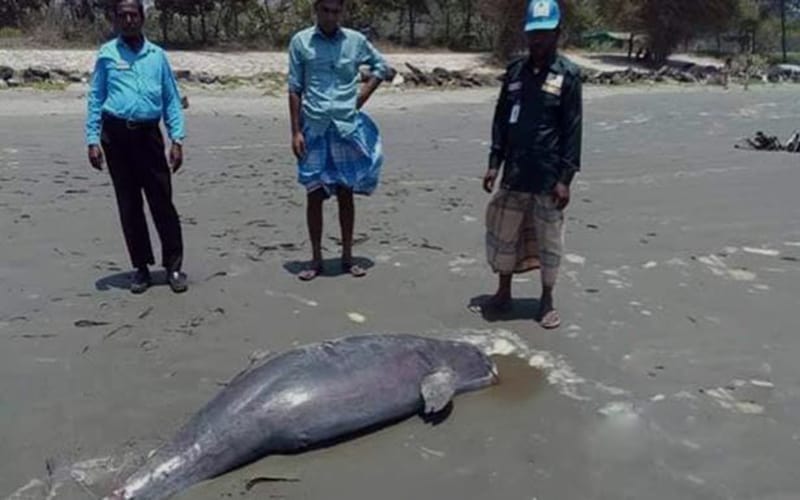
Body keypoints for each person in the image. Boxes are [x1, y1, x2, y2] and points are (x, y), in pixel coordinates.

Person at [481, 0, 582, 329]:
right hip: (515, 172)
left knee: (549, 241)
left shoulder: (568, 76)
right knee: (505, 235)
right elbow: (500, 121)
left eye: (544, 33)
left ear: (557, 33)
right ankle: (503, 292)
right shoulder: (514, 73)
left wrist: (566, 177)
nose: (537, 40)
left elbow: (573, 130)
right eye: (533, 33)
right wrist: (494, 163)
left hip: (548, 177)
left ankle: (547, 299)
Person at [85, 0, 188, 294]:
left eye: (133, 15)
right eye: (122, 15)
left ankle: (174, 265)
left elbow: (171, 99)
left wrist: (177, 139)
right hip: (116, 137)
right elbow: (95, 98)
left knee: (162, 203)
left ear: (143, 18)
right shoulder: (106, 55)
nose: (128, 20)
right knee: (129, 205)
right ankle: (141, 268)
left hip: (149, 137)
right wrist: (92, 140)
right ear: (115, 19)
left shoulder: (157, 56)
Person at [287, 0, 392, 281]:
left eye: (336, 11)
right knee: (314, 194)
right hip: (315, 127)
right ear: (316, 10)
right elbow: (294, 88)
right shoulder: (300, 42)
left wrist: (361, 97)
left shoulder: (356, 41)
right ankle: (316, 259)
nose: (331, 16)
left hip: (346, 127)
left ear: (341, 13)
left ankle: (347, 257)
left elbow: (382, 67)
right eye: (326, 10)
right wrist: (295, 131)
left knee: (346, 193)